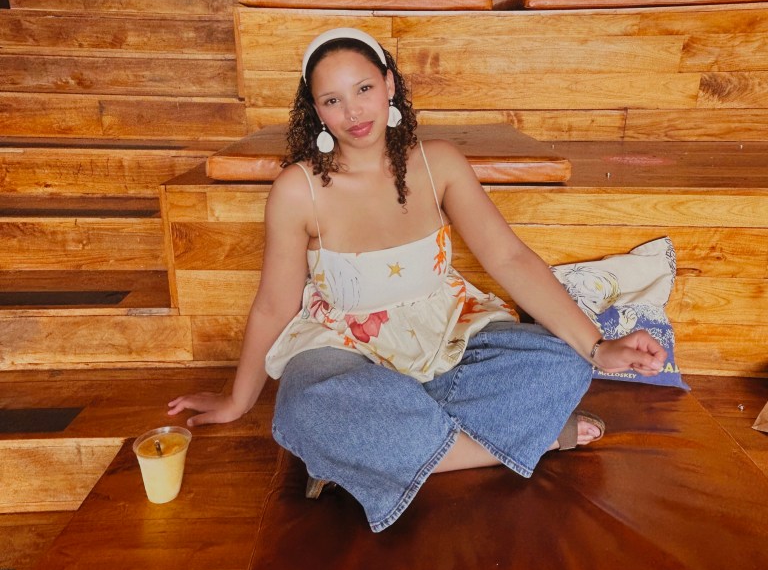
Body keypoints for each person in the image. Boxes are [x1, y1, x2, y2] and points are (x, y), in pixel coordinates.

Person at [168, 27, 666, 532]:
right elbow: (273, 306)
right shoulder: (297, 190)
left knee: (561, 361)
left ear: (388, 84)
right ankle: (528, 439)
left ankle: (386, 455)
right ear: (317, 110)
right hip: (344, 345)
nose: (354, 112)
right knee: (305, 407)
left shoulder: (439, 163)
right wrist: (238, 400)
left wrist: (598, 347)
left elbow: (509, 257)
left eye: (364, 89)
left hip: (446, 332)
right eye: (333, 100)